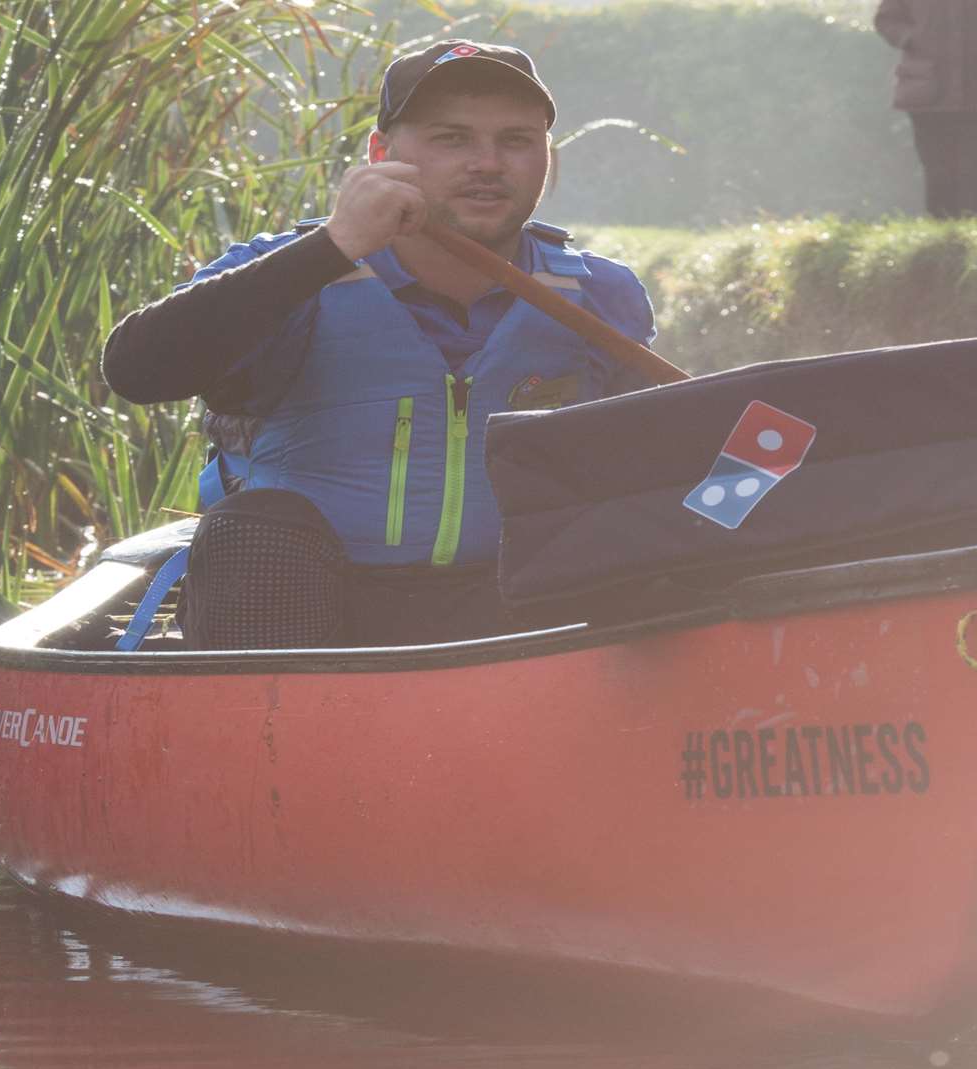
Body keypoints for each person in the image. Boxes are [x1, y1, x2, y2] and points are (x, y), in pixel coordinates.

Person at [102, 40, 657, 649]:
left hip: (511, 609)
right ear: (380, 155)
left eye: (516, 141)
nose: (488, 163)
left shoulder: (602, 294)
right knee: (258, 527)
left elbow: (668, 459)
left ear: (545, 161)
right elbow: (135, 370)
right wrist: (335, 245)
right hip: (306, 611)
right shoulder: (287, 274)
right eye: (452, 139)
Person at [874, 0, 977, 219]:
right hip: (929, 89)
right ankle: (943, 231)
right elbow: (887, 19)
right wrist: (913, 39)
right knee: (938, 168)